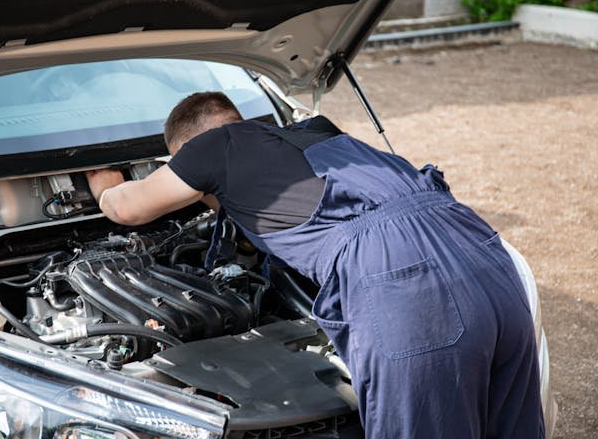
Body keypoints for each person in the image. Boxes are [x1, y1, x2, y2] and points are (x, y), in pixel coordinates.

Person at [86, 91, 544, 438]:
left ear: (185, 151)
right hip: (484, 255)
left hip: (405, 281)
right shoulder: (318, 132)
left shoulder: (215, 145)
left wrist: (102, 181)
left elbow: (128, 209)